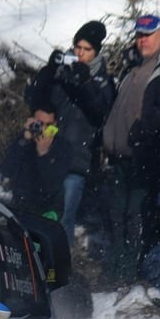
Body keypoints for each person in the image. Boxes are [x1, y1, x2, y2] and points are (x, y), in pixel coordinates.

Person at [99, 13, 160, 286]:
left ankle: (127, 272)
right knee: (116, 212)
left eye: (148, 35)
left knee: (135, 214)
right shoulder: (131, 66)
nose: (142, 40)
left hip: (144, 156)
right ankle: (114, 268)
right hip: (119, 154)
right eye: (139, 35)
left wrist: (141, 132)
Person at [24, 20, 116, 243]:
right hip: (48, 154)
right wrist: (49, 70)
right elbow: (34, 99)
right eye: (77, 47)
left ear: (96, 52)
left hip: (76, 160)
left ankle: (59, 270)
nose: (80, 53)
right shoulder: (61, 73)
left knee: (63, 219)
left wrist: (85, 81)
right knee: (37, 215)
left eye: (87, 49)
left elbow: (101, 110)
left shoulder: (103, 80)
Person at [0, 103, 73, 221]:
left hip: (48, 212)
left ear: (55, 125)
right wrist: (24, 139)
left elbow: (53, 184)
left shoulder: (62, 147)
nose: (43, 129)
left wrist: (43, 154)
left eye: (49, 126)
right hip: (21, 209)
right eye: (39, 124)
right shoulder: (23, 143)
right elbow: (6, 170)